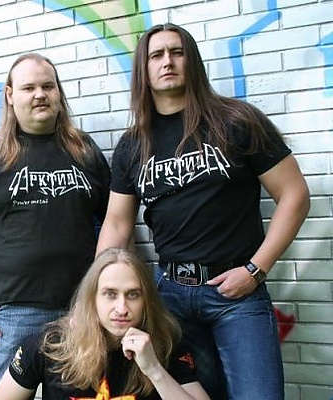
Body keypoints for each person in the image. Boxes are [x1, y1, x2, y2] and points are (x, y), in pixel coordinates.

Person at [96, 23, 310, 399]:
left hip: (237, 295)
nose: (167, 62)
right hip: (169, 299)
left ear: (191, 61)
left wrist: (255, 270)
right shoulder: (133, 145)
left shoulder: (237, 121)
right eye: (156, 55)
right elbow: (116, 224)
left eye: (176, 52)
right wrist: (101, 294)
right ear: (144, 69)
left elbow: (295, 195)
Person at [0, 52, 111, 396]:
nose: (40, 94)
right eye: (29, 88)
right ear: (10, 95)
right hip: (14, 312)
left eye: (47, 86)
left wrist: (106, 294)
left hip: (81, 307)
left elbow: (115, 222)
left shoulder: (84, 150)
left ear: (58, 93)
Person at [0, 247, 210, 400]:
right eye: (110, 294)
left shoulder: (165, 344)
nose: (122, 308)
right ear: (92, 298)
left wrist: (154, 369)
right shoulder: (48, 346)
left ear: (147, 301)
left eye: (133, 294)